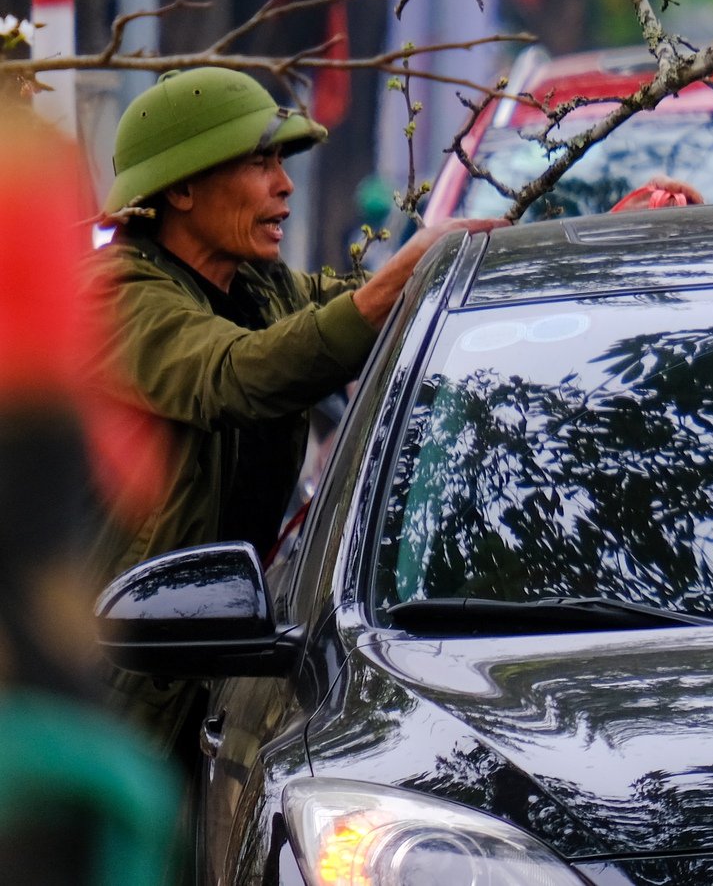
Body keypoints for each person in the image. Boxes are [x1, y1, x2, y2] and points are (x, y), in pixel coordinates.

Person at [95, 69, 497, 755]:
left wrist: (599, 228)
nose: (284, 184)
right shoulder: (114, 295)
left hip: (216, 679)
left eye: (282, 162)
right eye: (260, 162)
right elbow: (238, 373)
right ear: (182, 188)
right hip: (111, 699)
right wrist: (397, 279)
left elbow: (359, 310)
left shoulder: (257, 286)